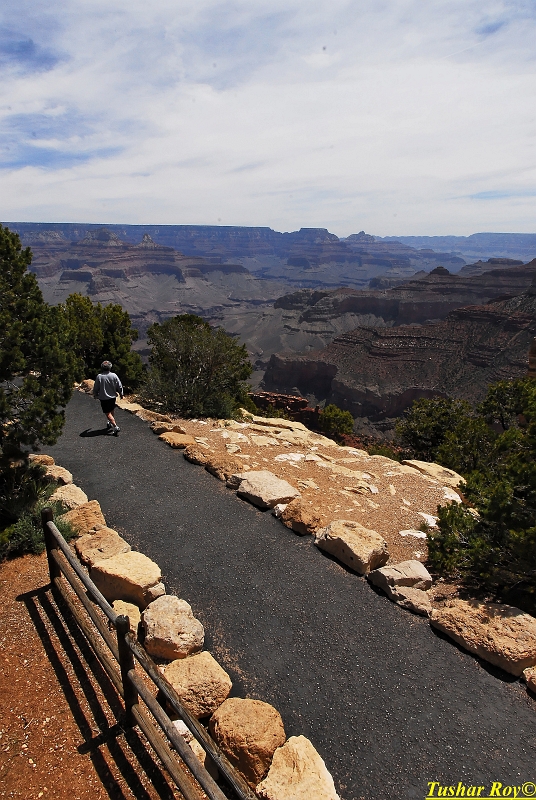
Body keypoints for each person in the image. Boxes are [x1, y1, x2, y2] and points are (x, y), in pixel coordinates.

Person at [93, 361, 123, 434]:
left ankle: (115, 426)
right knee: (111, 410)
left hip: (104, 398)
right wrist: (121, 393)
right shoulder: (114, 375)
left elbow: (96, 387)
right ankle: (110, 422)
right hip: (112, 397)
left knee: (107, 413)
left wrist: (95, 394)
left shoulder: (99, 376)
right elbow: (119, 385)